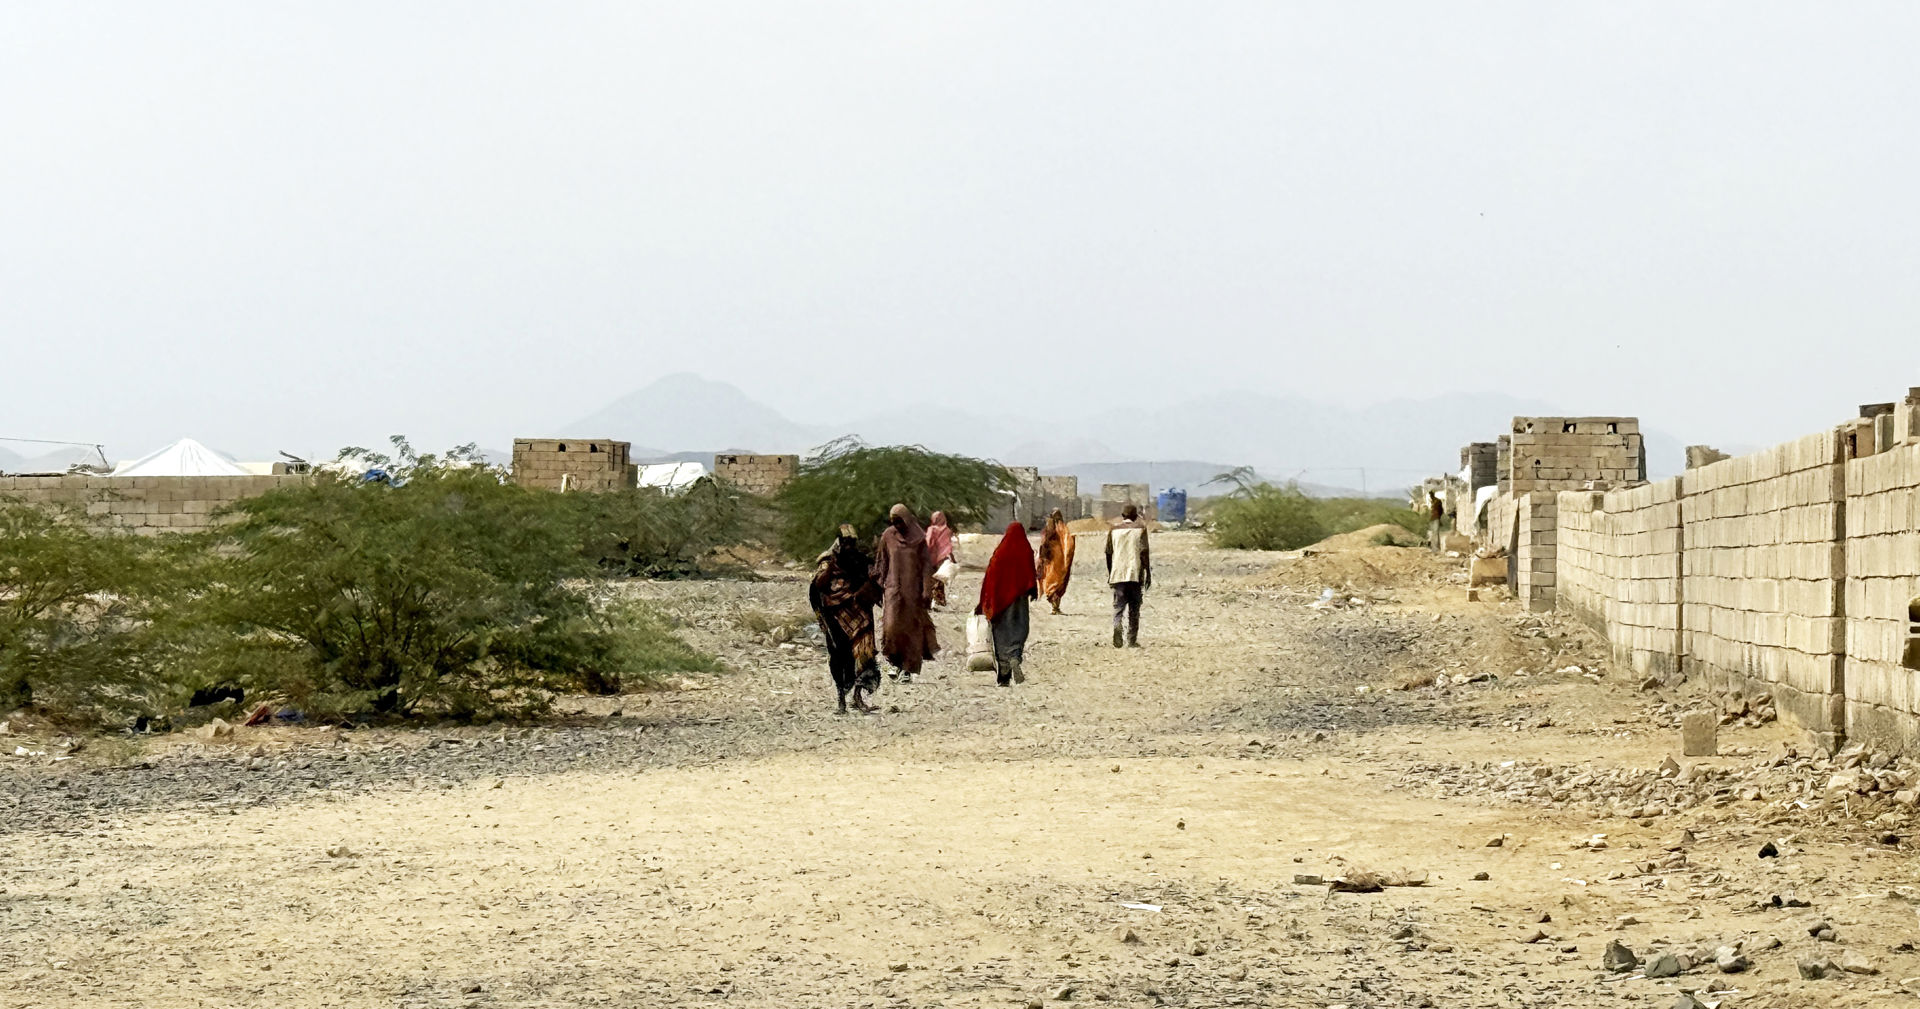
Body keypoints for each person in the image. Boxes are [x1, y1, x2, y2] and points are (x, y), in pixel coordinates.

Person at [808, 524, 884, 713]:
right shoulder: (827, 560)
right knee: (840, 655)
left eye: (852, 542)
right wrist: (830, 569)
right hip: (836, 615)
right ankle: (841, 699)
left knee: (865, 653)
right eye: (845, 542)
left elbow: (873, 579)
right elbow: (818, 585)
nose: (849, 546)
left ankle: (858, 697)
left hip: (860, 614)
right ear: (839, 542)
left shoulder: (860, 560)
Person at [873, 503, 937, 682]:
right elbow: (882, 562)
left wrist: (926, 590)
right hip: (892, 590)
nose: (898, 526)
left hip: (912, 592)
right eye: (894, 522)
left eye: (900, 522)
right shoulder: (888, 536)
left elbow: (926, 566)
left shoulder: (918, 538)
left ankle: (908, 668)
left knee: (911, 630)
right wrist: (878, 586)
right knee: (891, 627)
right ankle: (894, 663)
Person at [977, 522, 1039, 686]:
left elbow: (990, 578)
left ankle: (1003, 676)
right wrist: (1032, 590)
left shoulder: (1000, 553)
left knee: (1001, 635)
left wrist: (984, 601)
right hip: (1019, 602)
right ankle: (1015, 657)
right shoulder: (1026, 550)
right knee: (1019, 630)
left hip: (1001, 602)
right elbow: (1030, 574)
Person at [1105, 503, 1151, 647]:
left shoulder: (1113, 530)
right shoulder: (1141, 530)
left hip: (1118, 573)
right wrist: (1148, 573)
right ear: (1135, 516)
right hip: (1135, 573)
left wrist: (1110, 571)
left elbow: (1108, 552)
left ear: (1123, 516)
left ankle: (1117, 624)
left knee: (1118, 606)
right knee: (1134, 608)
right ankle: (1131, 640)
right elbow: (1144, 553)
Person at [1035, 508, 1076, 614]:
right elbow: (1069, 543)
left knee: (1051, 581)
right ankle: (1055, 607)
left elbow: (1043, 543)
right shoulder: (1062, 528)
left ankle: (1055, 607)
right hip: (1058, 559)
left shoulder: (1049, 529)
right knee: (1058, 582)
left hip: (1050, 559)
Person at [926, 510, 955, 608]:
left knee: (930, 579)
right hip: (942, 558)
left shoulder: (931, 529)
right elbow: (948, 545)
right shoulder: (946, 530)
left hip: (931, 558)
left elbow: (929, 543)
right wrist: (952, 558)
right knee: (939, 580)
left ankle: (929, 601)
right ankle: (938, 601)